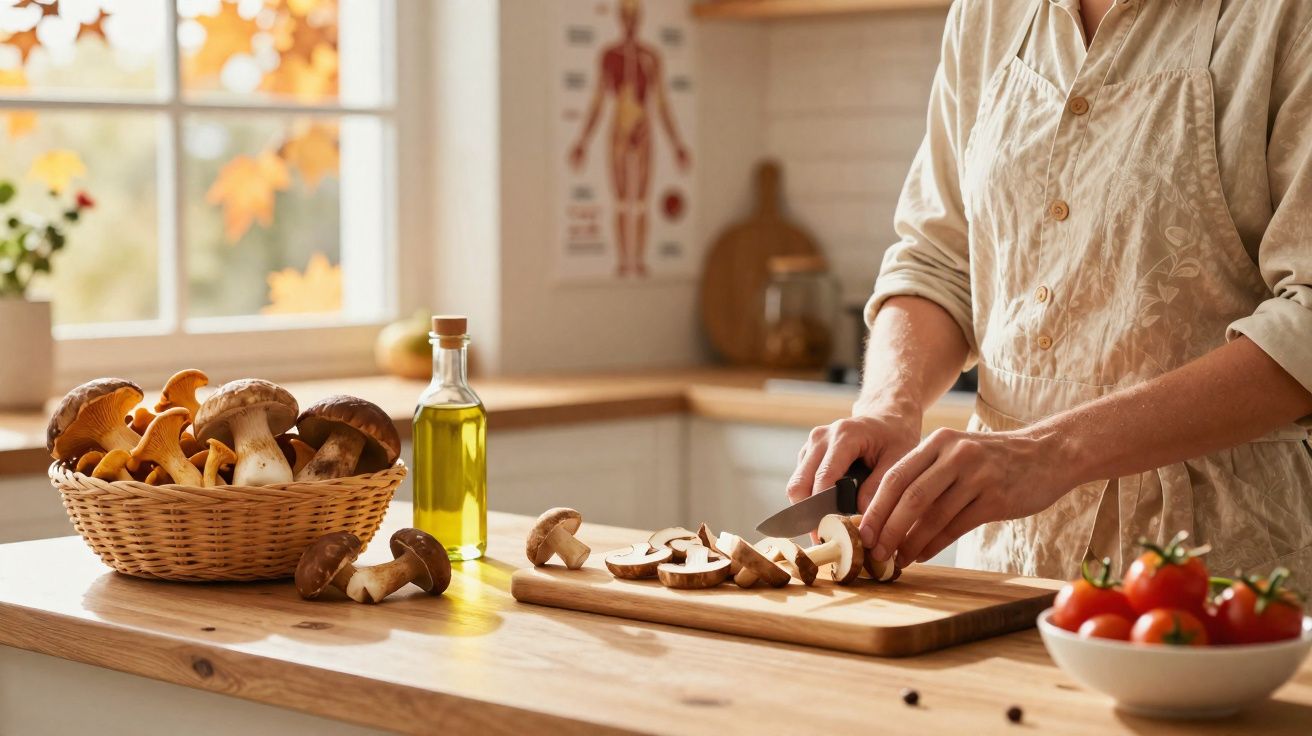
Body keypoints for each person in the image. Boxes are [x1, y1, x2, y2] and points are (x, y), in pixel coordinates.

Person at [788, 0, 1312, 581]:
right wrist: (890, 406)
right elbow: (940, 258)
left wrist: (1053, 452)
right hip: (1002, 565)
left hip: (1217, 570)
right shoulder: (987, 12)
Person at [570, 0, 691, 278]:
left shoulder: (651, 57)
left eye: (634, 17)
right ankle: (624, 261)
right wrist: (582, 142)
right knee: (622, 200)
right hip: (619, 129)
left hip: (643, 128)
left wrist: (677, 145)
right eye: (626, 17)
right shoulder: (609, 56)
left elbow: (661, 104)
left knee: (642, 202)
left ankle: (639, 260)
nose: (630, 23)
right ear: (619, 19)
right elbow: (598, 101)